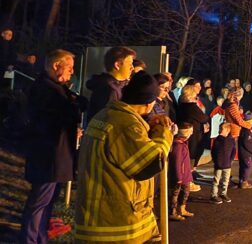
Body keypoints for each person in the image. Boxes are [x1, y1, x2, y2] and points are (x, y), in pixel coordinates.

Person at [75, 71, 174, 244]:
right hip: (116, 225)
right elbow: (151, 163)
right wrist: (163, 133)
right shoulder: (126, 125)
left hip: (96, 217)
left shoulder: (106, 115)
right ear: (149, 103)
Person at [20, 49, 80, 244]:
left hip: (55, 156)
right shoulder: (46, 90)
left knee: (47, 203)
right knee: (39, 203)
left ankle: (40, 238)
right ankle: (31, 239)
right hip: (49, 157)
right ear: (56, 66)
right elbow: (51, 121)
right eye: (69, 68)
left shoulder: (54, 88)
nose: (72, 72)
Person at [84, 46, 135, 123]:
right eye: (130, 64)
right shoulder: (109, 90)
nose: (132, 68)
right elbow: (108, 121)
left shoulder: (117, 86)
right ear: (117, 65)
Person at [177, 82, 209, 179]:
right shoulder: (191, 106)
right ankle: (189, 177)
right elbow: (203, 117)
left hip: (187, 132)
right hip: (193, 134)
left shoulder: (181, 104)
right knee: (191, 155)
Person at [169, 123, 194, 222]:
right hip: (180, 176)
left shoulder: (182, 144)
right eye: (190, 132)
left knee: (185, 192)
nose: (192, 134)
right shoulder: (178, 146)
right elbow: (177, 162)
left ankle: (182, 209)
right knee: (175, 193)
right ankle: (172, 212)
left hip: (185, 174)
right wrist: (178, 177)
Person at [211, 123, 235, 204]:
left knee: (226, 180)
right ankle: (214, 195)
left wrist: (230, 160)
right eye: (219, 129)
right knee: (216, 180)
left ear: (228, 130)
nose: (219, 131)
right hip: (218, 164)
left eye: (221, 129)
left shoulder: (231, 140)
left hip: (227, 164)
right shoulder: (218, 139)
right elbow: (213, 151)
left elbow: (233, 151)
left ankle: (223, 194)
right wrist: (215, 160)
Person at [238, 113, 252, 189]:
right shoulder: (246, 131)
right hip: (246, 153)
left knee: (242, 166)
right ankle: (244, 182)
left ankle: (241, 180)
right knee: (247, 167)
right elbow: (247, 143)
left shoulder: (244, 129)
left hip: (242, 152)